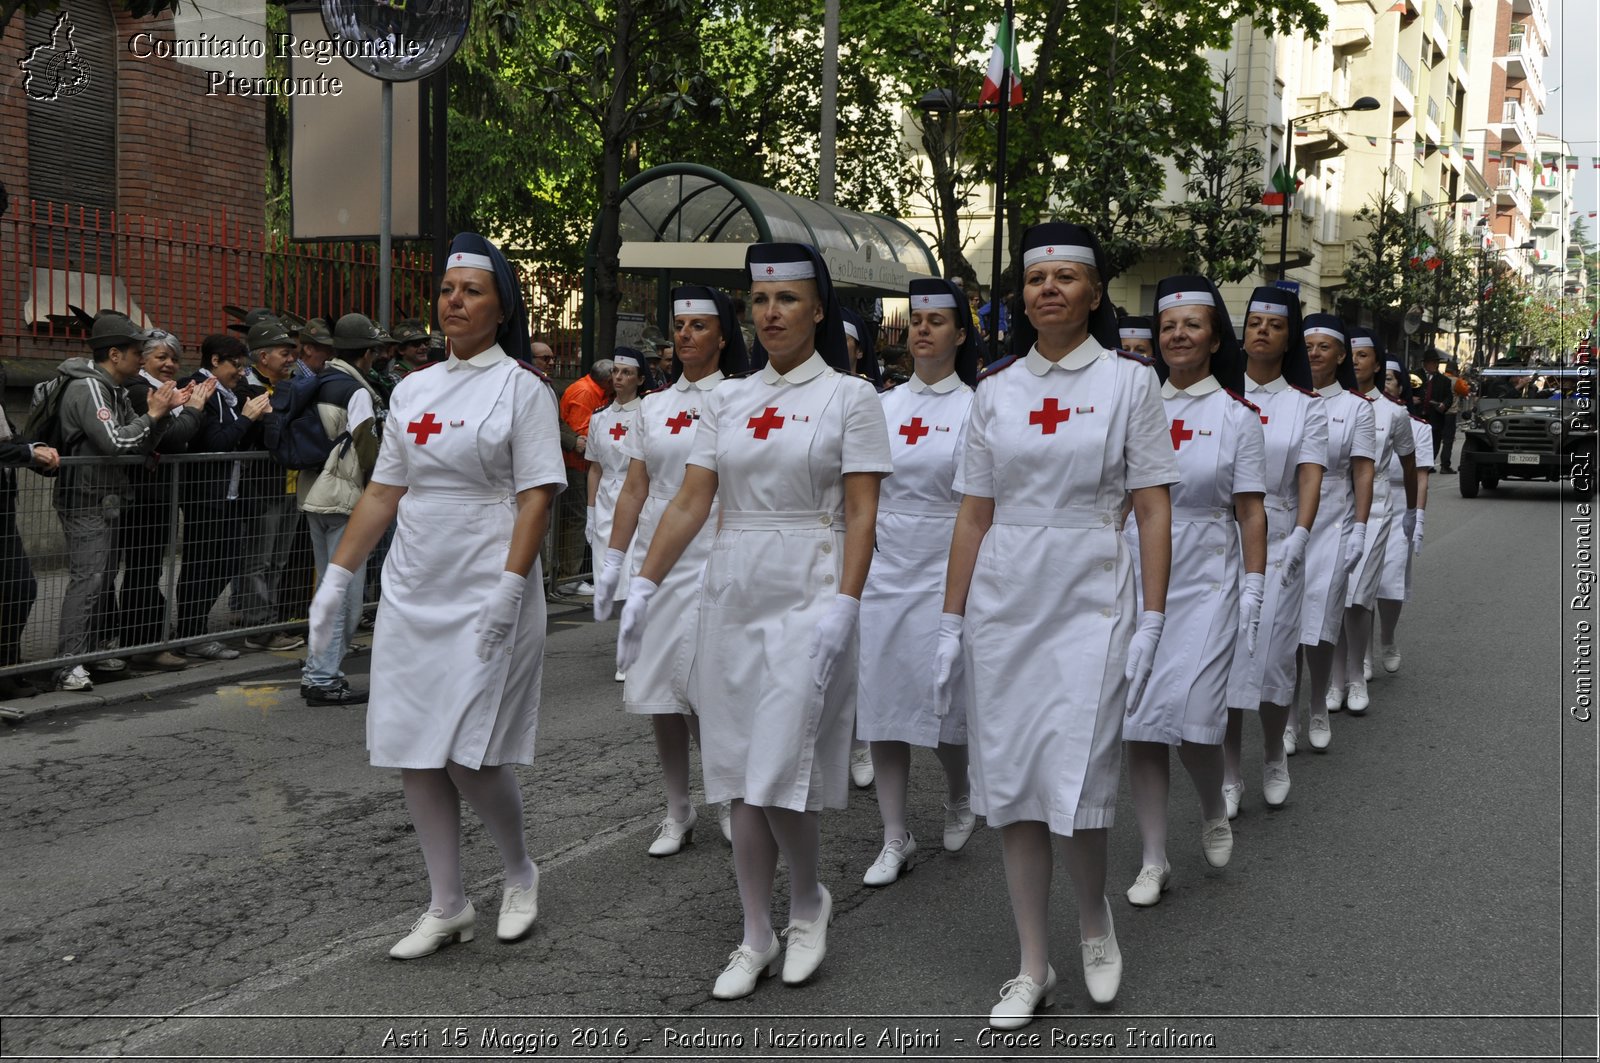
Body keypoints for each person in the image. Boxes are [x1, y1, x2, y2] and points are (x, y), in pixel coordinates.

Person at [615, 242, 891, 999]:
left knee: (778, 771)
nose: (771, 314)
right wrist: (642, 584)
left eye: (789, 300)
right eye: (761, 301)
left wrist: (847, 599)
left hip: (808, 583)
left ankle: (807, 903)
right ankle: (754, 932)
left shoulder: (850, 397)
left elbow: (864, 509)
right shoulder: (727, 400)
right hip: (732, 587)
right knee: (737, 773)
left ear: (817, 309)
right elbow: (691, 499)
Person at [935, 223, 1176, 1026]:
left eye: (1068, 277)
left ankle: (1094, 917)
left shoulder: (1129, 385)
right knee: (1013, 785)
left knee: (1074, 779)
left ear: (1095, 293)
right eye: (1038, 278)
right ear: (1022, 296)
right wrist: (950, 618)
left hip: (1092, 598)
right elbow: (973, 515)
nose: (1050, 290)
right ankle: (1032, 962)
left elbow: (1151, 507)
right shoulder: (994, 390)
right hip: (1005, 605)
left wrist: (1152, 617)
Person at [307, 232, 566, 959]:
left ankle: (519, 871)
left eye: (472, 290)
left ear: (501, 305)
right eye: (448, 289)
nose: (455, 300)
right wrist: (337, 579)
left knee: (470, 751)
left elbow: (537, 497)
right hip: (417, 584)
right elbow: (385, 490)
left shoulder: (524, 390)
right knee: (415, 747)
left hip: (489, 579)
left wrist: (512, 589)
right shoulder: (413, 390)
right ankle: (447, 901)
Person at [1122, 275, 1266, 905]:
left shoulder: (1237, 417)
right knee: (1140, 723)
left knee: (1198, 725)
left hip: (1209, 579)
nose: (1178, 335)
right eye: (1168, 325)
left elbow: (1252, 512)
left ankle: (1212, 804)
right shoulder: (1132, 406)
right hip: (1134, 576)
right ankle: (1154, 858)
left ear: (1214, 338)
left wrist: (1255, 585)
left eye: (1192, 325)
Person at [591, 284, 750, 856]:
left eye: (699, 326)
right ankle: (677, 807)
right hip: (657, 555)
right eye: (679, 326)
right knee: (659, 689)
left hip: (714, 547)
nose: (685, 335)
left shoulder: (740, 398)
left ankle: (729, 796)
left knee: (711, 687)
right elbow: (634, 488)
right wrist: (614, 558)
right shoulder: (651, 407)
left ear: (723, 336)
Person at [855, 277, 980, 888]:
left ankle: (960, 793)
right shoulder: (880, 406)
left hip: (945, 564)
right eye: (918, 320)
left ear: (960, 332)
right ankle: (894, 834)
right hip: (885, 567)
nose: (925, 329)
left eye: (938, 320)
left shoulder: (977, 408)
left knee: (941, 698)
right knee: (881, 703)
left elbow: (980, 507)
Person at [49, 312, 193, 691]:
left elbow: (141, 440)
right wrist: (156, 414)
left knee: (99, 581)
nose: (140, 356)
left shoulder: (112, 389)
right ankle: (68, 665)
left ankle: (92, 651)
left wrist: (159, 416)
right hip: (85, 498)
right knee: (88, 581)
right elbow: (117, 443)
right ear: (114, 354)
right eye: (135, 350)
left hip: (109, 499)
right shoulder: (91, 390)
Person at [1222, 287, 1326, 796]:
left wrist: (1303, 533)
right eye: (1255, 321)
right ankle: (1227, 773)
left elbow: (1309, 475)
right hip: (1222, 539)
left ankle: (1272, 755)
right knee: (1223, 656)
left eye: (1275, 324)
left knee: (1273, 654)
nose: (1262, 330)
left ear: (1289, 340)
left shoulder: (1305, 406)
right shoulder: (1218, 395)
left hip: (1281, 535)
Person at [1293, 314, 1376, 756]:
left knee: (1322, 624)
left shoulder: (1354, 407)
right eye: (1307, 345)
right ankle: (1285, 718)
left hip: (1334, 522)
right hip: (1287, 521)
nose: (1314, 353)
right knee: (1284, 627)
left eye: (1324, 347)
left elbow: (1363, 472)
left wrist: (1360, 527)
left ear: (1341, 355)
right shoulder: (1286, 401)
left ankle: (1317, 706)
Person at [296, 313, 386, 705]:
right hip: (345, 498)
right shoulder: (355, 390)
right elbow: (368, 448)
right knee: (345, 593)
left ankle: (316, 671)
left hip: (314, 492)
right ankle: (322, 678)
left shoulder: (316, 380)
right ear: (366, 353)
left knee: (326, 587)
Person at [1331, 328, 1417, 714]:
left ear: (1377, 364)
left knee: (1359, 595)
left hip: (1378, 508)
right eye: (1350, 354)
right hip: (1332, 506)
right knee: (1332, 593)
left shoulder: (1394, 413)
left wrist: (1413, 511)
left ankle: (1356, 671)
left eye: (1363, 355)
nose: (1355, 361)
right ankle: (1336, 677)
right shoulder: (1326, 402)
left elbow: (1410, 464)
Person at [114, 329, 210, 671]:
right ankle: (141, 644)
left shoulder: (158, 390)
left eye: (174, 358)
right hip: (142, 496)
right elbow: (175, 438)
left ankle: (140, 640)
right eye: (161, 358)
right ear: (143, 359)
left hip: (155, 493)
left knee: (147, 569)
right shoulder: (140, 391)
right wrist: (195, 409)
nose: (169, 364)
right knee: (142, 570)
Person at [175, 334, 274, 659]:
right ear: (215, 361)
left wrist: (257, 418)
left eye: (245, 366)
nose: (242, 373)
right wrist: (247, 417)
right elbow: (216, 441)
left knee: (227, 561)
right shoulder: (200, 389)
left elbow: (239, 441)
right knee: (200, 566)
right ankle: (191, 633)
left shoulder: (228, 395)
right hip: (206, 496)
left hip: (229, 495)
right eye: (237, 365)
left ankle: (193, 629)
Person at [237, 321, 308, 653]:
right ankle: (258, 625)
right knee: (259, 559)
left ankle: (271, 620)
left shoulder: (297, 385)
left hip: (293, 483)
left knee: (279, 559)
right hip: (262, 486)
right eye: (284, 353)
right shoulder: (246, 387)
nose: (291, 358)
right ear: (262, 357)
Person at [585, 348, 650, 679]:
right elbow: (594, 469)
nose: (620, 378)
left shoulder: (649, 412)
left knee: (635, 574)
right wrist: (590, 510)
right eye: (616, 372)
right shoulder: (598, 417)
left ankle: (634, 648)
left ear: (640, 379)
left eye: (627, 373)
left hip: (639, 496)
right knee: (611, 577)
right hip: (608, 500)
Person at [1373, 361, 1432, 674]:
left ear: (1402, 387)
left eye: (1391, 380)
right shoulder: (1360, 416)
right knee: (1358, 582)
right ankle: (1360, 655)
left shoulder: (1419, 426)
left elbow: (1420, 475)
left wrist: (1417, 517)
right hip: (1365, 501)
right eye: (1380, 379)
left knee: (1390, 578)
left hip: (1400, 505)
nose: (1385, 385)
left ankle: (1387, 637)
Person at [0, 401, 58, 698]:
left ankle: (8, 668)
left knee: (20, 588)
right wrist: (28, 453)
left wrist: (37, 448)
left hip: (4, 513)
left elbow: (10, 437)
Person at [557, 359, 615, 590]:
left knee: (575, 518)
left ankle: (569, 574)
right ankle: (568, 577)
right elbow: (583, 435)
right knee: (575, 519)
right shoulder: (584, 392)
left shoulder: (596, 391)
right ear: (608, 380)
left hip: (582, 465)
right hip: (575, 465)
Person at [1420, 350, 1455, 473]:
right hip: (1418, 416)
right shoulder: (1415, 376)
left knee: (1435, 440)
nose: (1434, 365)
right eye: (1432, 363)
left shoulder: (1444, 381)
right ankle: (1419, 463)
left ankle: (1429, 463)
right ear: (1425, 364)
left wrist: (1444, 404)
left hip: (1435, 416)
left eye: (1436, 363)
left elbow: (1449, 397)